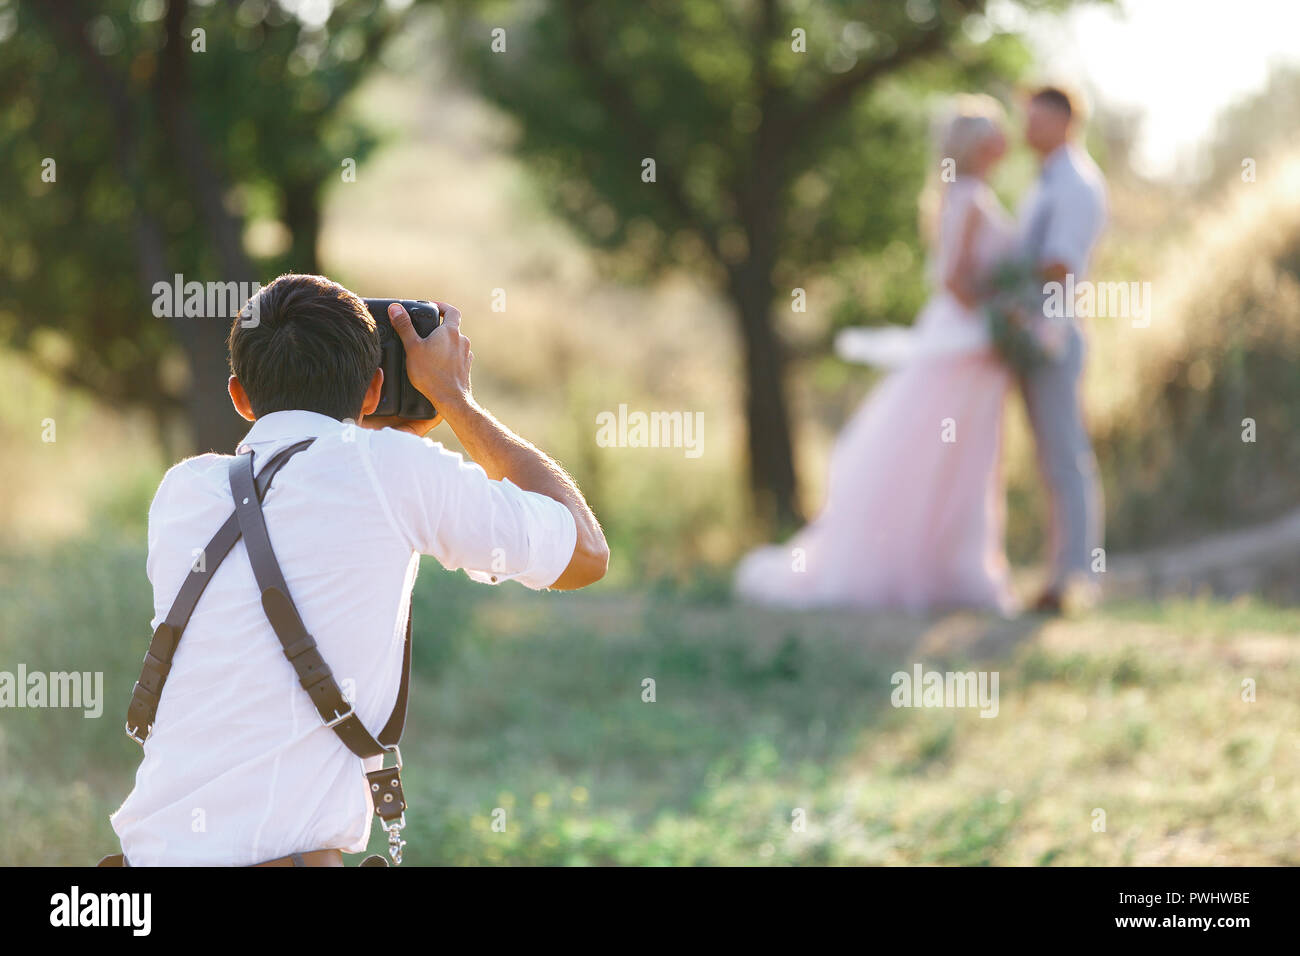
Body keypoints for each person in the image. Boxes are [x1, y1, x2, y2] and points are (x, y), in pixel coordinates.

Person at [109, 273, 609, 865]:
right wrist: (453, 399)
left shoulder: (182, 491)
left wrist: (385, 452)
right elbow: (584, 555)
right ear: (373, 391)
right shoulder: (392, 470)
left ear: (240, 397)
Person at [734, 95, 1019, 614]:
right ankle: (931, 570)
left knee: (952, 457)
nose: (1003, 143)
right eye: (994, 134)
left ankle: (944, 567)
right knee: (947, 456)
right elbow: (953, 278)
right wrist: (1003, 311)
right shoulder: (971, 197)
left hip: (964, 343)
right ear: (976, 145)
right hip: (965, 344)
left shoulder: (958, 194)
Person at [1016, 85, 1108, 614]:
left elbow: (1059, 264)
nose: (1026, 128)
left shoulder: (1075, 183)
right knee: (1053, 458)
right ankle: (1060, 573)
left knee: (1065, 456)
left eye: (1036, 119)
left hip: (1052, 332)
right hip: (1035, 329)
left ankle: (1074, 577)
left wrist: (999, 274)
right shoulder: (1046, 179)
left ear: (1065, 121)